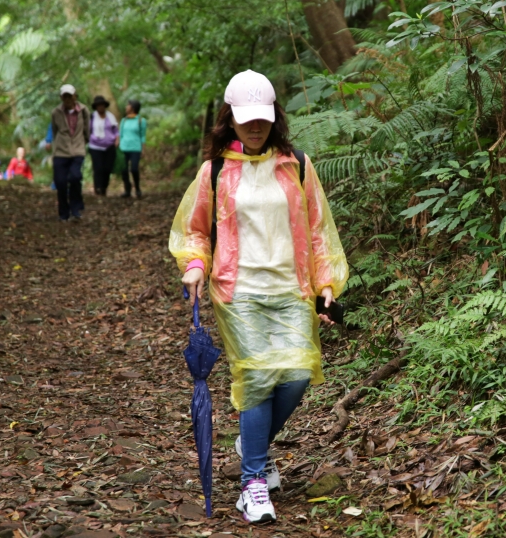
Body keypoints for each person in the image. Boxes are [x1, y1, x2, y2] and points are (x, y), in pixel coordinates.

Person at [169, 70, 348, 524]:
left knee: (298, 373)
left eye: (262, 119)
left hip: (292, 288)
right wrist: (194, 264)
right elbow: (195, 230)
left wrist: (327, 285)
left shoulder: (298, 166)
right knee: (257, 377)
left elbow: (320, 231)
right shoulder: (214, 172)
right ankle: (252, 483)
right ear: (229, 119)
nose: (255, 127)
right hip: (238, 291)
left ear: (274, 118)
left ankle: (253, 443)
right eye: (246, 119)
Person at [51, 84, 91, 221]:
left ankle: (76, 208)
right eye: (65, 96)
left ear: (75, 96)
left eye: (70, 96)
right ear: (61, 97)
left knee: (75, 177)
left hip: (78, 150)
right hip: (60, 151)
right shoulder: (56, 112)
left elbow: (87, 130)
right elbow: (55, 130)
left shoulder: (84, 111)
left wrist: (83, 143)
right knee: (60, 182)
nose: (67, 99)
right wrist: (56, 146)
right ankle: (64, 212)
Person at [88, 95, 118, 195]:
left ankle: (104, 187)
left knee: (107, 168)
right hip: (95, 146)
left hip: (109, 146)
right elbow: (87, 130)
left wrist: (117, 140)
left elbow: (116, 131)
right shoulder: (92, 117)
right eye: (98, 105)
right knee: (98, 168)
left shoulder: (111, 116)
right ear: (96, 107)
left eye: (102, 105)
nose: (100, 107)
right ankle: (98, 188)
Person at [118, 99, 146, 198]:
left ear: (133, 108)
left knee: (134, 169)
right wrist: (118, 144)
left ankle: (137, 188)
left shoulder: (141, 121)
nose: (126, 107)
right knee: (124, 169)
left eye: (128, 105)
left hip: (135, 148)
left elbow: (143, 136)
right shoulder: (124, 120)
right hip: (124, 148)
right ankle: (127, 189)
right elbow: (120, 134)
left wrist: (143, 149)